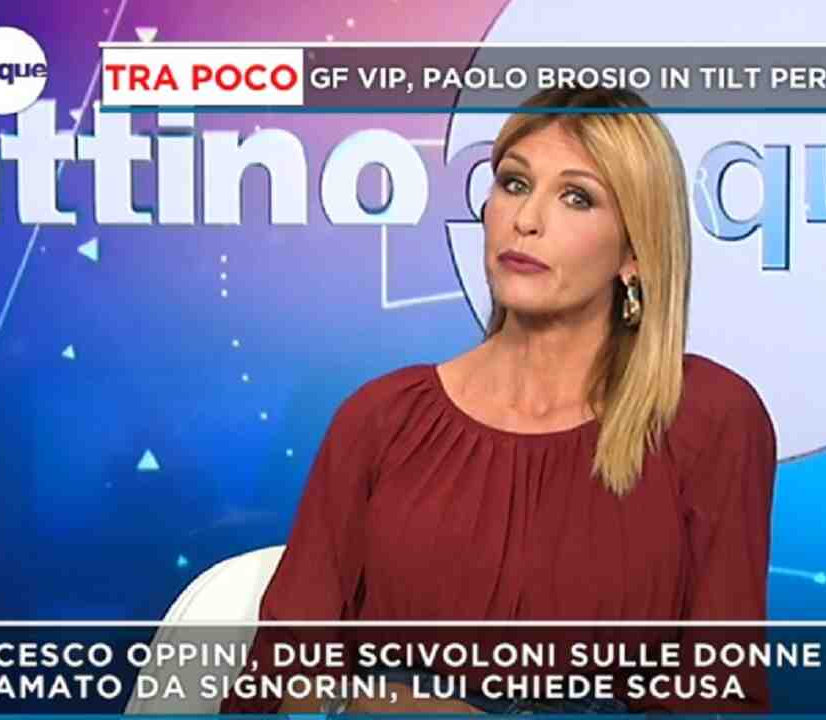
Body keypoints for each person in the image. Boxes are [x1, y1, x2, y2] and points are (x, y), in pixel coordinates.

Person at [220, 87, 778, 714]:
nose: (527, 219)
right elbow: (274, 684)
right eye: (514, 184)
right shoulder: (382, 419)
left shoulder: (708, 418)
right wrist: (367, 707)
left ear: (634, 253)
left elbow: (721, 698)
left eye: (576, 197)